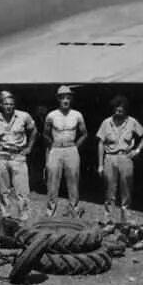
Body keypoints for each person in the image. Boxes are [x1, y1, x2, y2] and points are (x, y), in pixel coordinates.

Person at [0, 90, 36, 220]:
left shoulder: (24, 116)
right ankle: (6, 215)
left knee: (22, 189)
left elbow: (33, 130)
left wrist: (29, 147)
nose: (9, 107)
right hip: (2, 156)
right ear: (1, 104)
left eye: (11, 104)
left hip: (18, 156)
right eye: (6, 104)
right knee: (3, 189)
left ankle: (24, 215)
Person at [95, 95, 143, 224]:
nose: (119, 111)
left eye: (122, 109)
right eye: (117, 109)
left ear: (126, 110)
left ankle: (125, 221)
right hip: (110, 158)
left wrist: (137, 150)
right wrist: (100, 164)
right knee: (109, 191)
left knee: (126, 191)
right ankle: (108, 221)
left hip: (125, 158)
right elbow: (101, 143)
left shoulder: (132, 122)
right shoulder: (106, 123)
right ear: (113, 109)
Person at [42, 85, 88, 217]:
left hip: (71, 148)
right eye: (63, 98)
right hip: (56, 148)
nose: (65, 100)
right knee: (52, 180)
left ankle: (74, 209)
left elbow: (84, 133)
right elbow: (45, 133)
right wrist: (52, 147)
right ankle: (51, 210)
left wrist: (75, 146)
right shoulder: (51, 115)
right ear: (58, 99)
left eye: (68, 98)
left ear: (71, 99)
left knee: (73, 179)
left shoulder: (77, 115)